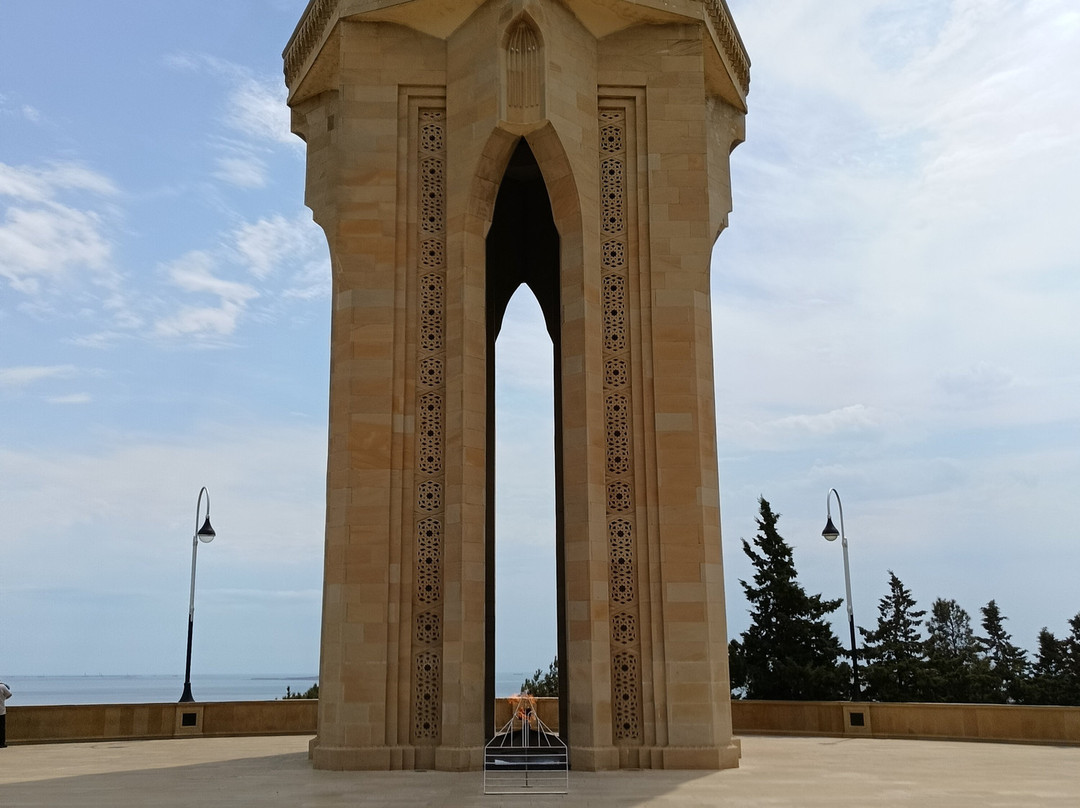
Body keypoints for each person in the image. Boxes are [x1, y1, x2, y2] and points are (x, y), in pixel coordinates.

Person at [0, 680, 11, 747]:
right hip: (1, 711)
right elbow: (9, 694)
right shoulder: (2, 686)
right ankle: (1, 743)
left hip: (1, 711)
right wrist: (3, 699)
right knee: (1, 728)